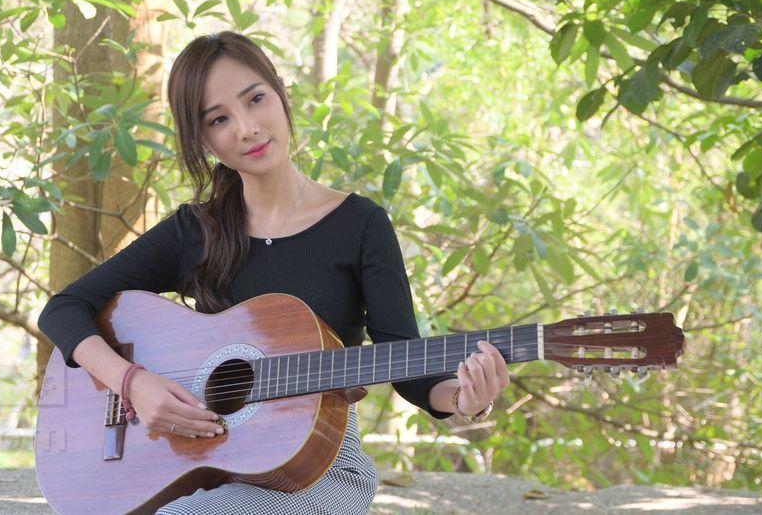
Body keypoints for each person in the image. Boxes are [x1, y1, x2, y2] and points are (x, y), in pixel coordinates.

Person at [37, 30, 511, 514]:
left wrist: (464, 398)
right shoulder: (195, 231)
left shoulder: (360, 224)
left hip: (318, 470)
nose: (247, 128)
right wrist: (132, 383)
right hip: (202, 462)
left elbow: (407, 366)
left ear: (281, 94)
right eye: (219, 119)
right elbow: (64, 308)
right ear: (202, 140)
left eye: (255, 99)